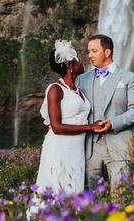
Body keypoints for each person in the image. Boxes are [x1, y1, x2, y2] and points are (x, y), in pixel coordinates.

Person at [31, 40, 107, 207]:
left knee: (74, 187)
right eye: (77, 59)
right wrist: (90, 127)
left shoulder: (78, 90)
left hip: (76, 148)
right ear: (69, 65)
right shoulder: (55, 89)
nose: (81, 61)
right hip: (59, 147)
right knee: (54, 187)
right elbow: (56, 127)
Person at [78, 34, 134, 196]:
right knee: (94, 200)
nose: (89, 55)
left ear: (107, 52)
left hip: (119, 146)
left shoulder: (130, 78)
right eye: (89, 51)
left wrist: (112, 123)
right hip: (90, 149)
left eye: (94, 51)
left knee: (121, 197)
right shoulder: (81, 79)